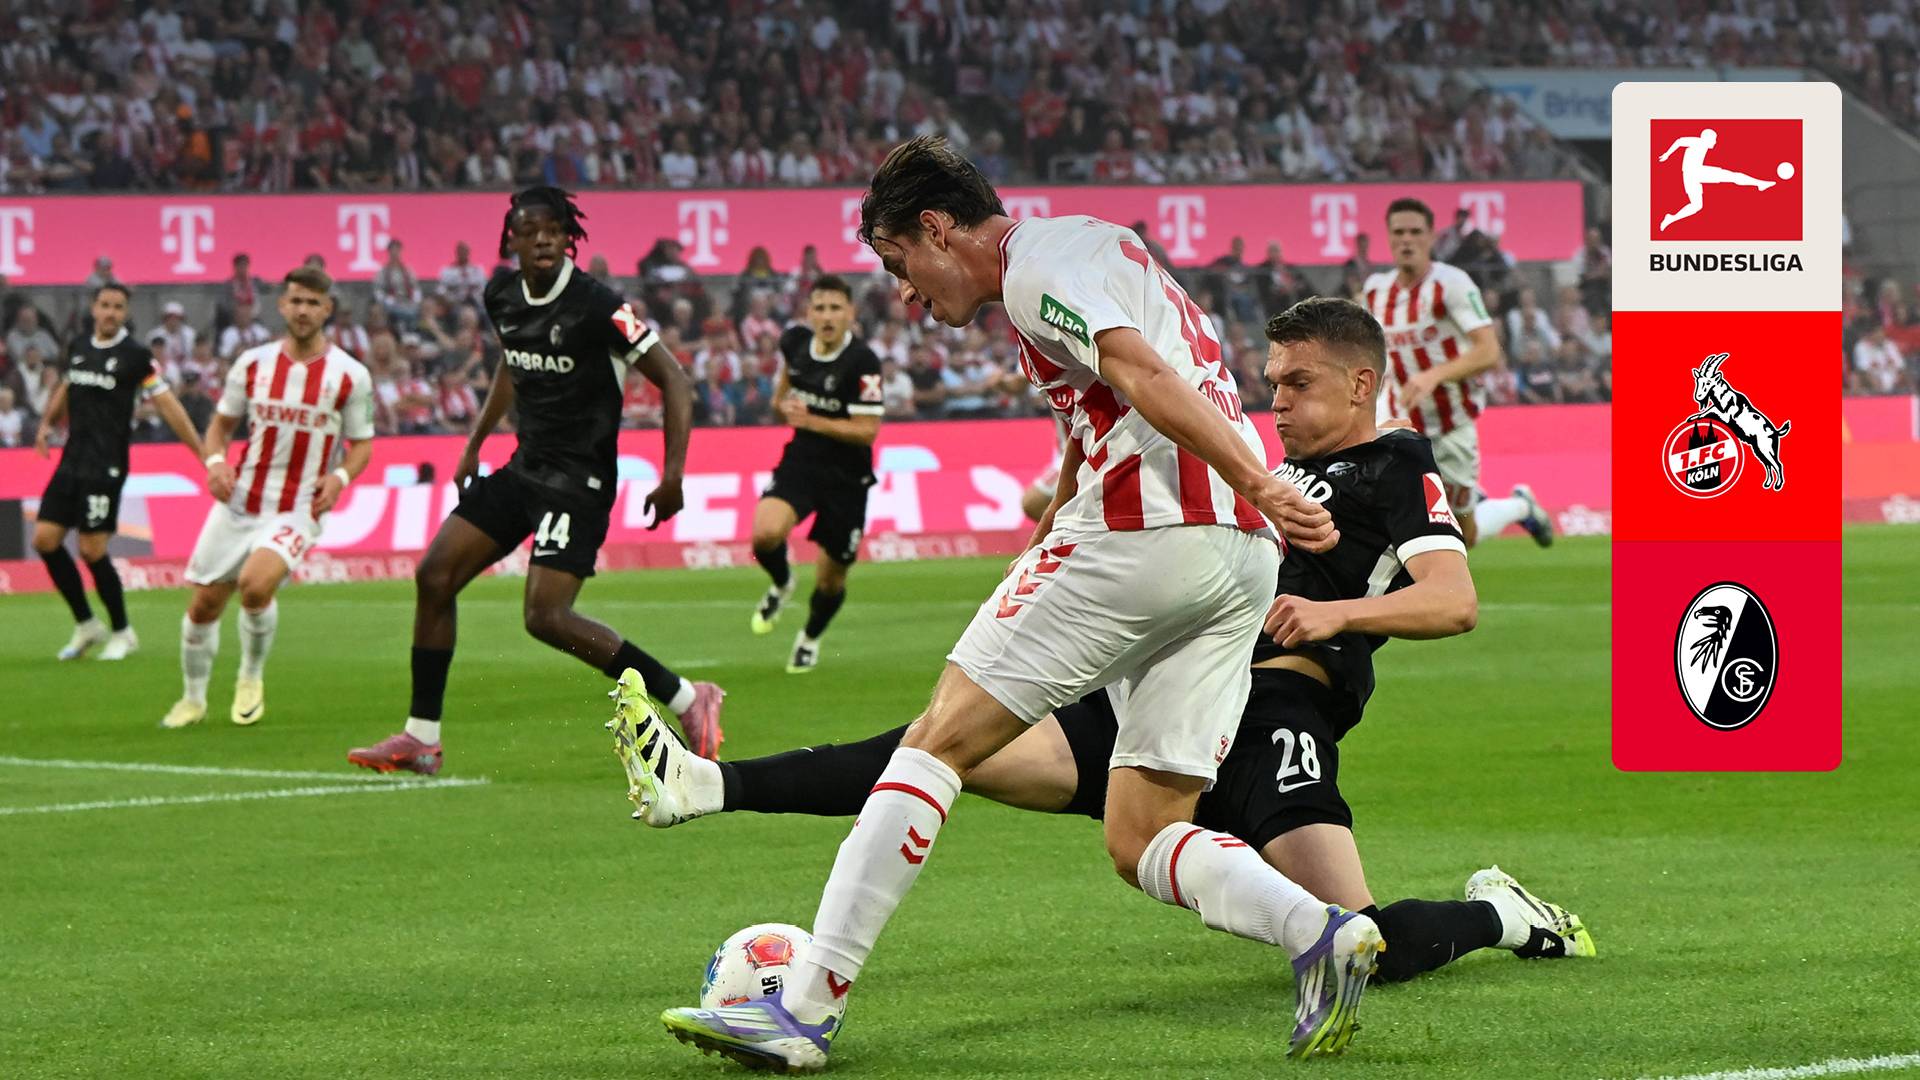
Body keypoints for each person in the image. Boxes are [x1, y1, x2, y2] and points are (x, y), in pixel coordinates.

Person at [615, 296, 1595, 984]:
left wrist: (1337, 616)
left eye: (1298, 384)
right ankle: (709, 785)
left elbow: (1452, 600)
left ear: (1361, 383)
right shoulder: (1260, 463)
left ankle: (1501, 914)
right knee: (946, 745)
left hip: (1275, 715)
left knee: (1358, 942)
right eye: (1272, 383)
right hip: (1167, 690)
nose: (1279, 402)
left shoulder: (1394, 466)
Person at [656, 136, 1354, 1070]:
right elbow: (1097, 407)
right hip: (1238, 560)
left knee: (935, 742)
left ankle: (806, 1009)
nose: (905, 292)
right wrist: (1067, 516)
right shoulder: (1087, 248)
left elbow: (1144, 375)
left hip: (1150, 532)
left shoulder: (1036, 272)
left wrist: (1259, 478)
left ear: (937, 229)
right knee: (1142, 831)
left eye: (899, 262)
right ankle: (1320, 931)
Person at [345, 186, 717, 777]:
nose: (543, 239)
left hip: (581, 479)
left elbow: (673, 378)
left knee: (546, 616)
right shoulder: (501, 295)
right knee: (434, 575)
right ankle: (422, 739)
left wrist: (673, 474)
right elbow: (510, 363)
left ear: (568, 238)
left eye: (553, 229)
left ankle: (687, 698)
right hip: (526, 468)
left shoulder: (598, 305)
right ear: (511, 240)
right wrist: (474, 442)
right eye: (530, 230)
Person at [161, 268, 374, 729]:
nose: (303, 310)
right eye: (296, 301)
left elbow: (363, 446)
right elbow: (220, 427)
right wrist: (215, 463)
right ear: (282, 305)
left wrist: (339, 477)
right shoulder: (252, 364)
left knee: (255, 586)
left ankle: (250, 676)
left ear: (327, 309)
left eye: (313, 303)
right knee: (203, 606)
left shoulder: (350, 376)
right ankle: (193, 700)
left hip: (299, 508)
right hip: (241, 502)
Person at [1361, 198, 1553, 549]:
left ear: (1431, 236)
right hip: (1398, 424)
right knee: (1386, 515)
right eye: (1399, 232)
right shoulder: (1375, 290)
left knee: (1465, 536)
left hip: (1451, 425)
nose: (1407, 240)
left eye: (1415, 232)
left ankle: (1520, 505)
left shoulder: (1452, 284)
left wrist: (1434, 375)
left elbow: (1489, 350)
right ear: (1388, 237)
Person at [32, 284, 205, 660]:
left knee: (92, 549)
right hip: (72, 460)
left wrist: (202, 453)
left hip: (106, 464)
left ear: (126, 313)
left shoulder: (135, 356)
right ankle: (86, 624)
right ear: (94, 309)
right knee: (44, 540)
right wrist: (47, 424)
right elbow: (66, 386)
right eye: (105, 305)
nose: (111, 312)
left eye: (118, 307)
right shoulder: (79, 346)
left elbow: (167, 405)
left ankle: (123, 632)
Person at [747, 275, 884, 673]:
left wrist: (811, 420)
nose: (827, 316)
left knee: (830, 580)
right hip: (802, 461)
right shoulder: (793, 343)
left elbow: (867, 430)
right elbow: (781, 401)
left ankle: (809, 638)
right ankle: (782, 583)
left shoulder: (863, 362)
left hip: (848, 476)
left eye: (835, 308)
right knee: (765, 534)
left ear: (850, 313)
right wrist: (784, 409)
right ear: (808, 313)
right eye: (820, 308)